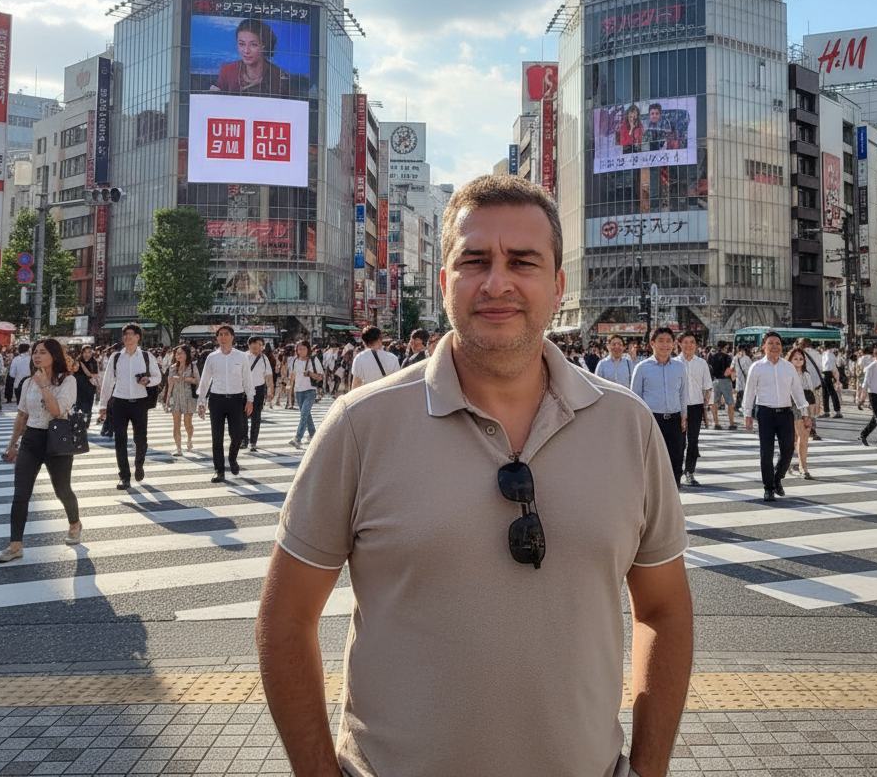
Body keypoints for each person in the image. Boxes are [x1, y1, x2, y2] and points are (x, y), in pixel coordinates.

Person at [257, 174, 691, 777]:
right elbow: (286, 616)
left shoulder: (627, 426)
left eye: (523, 261)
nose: (497, 283)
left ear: (558, 285)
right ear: (444, 283)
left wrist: (649, 768)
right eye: (475, 260)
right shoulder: (362, 425)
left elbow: (664, 609)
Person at [0, 339, 81, 562]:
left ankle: (74, 523)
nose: (36, 356)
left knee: (62, 490)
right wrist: (12, 443)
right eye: (35, 352)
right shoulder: (28, 382)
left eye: (42, 352)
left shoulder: (68, 381)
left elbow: (56, 410)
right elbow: (22, 414)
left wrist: (43, 385)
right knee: (20, 493)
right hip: (31, 440)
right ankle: (15, 545)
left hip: (57, 440)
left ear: (54, 355)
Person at [743, 331, 808, 502]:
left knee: (788, 449)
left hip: (785, 413)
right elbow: (749, 392)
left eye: (777, 343)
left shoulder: (788, 367)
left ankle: (777, 477)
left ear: (781, 347)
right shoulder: (757, 367)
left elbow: (797, 391)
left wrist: (805, 413)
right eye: (770, 343)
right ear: (764, 346)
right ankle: (768, 488)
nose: (774, 346)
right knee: (767, 452)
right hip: (765, 412)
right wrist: (747, 414)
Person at [97, 323, 162, 490]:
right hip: (119, 402)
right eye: (125, 334)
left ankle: (139, 464)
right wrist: (103, 405)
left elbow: (158, 377)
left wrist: (148, 381)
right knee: (120, 439)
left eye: (131, 334)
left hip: (140, 402)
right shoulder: (116, 357)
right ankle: (124, 476)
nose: (127, 337)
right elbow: (108, 381)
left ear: (138, 337)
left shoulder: (146, 356)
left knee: (141, 439)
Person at [197, 324, 254, 482]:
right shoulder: (212, 357)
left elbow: (247, 379)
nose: (223, 337)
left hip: (236, 400)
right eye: (220, 335)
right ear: (217, 338)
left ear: (232, 337)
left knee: (237, 435)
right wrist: (201, 401)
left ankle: (232, 458)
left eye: (226, 334)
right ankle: (219, 470)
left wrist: (250, 399)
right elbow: (205, 380)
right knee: (217, 437)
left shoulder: (241, 357)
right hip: (217, 400)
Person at [631, 327, 688, 487]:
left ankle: (674, 495)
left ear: (673, 344)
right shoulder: (642, 368)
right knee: (652, 462)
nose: (665, 345)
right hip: (652, 420)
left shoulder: (679, 367)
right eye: (661, 341)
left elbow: (683, 393)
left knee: (676, 460)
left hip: (675, 420)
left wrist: (684, 416)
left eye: (669, 341)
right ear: (652, 344)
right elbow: (635, 398)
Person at [208, 18, 291, 95]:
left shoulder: (279, 76)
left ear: (263, 46)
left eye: (253, 45)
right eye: (242, 44)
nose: (246, 51)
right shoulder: (227, 70)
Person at [678, 331, 712, 487]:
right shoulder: (674, 363)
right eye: (685, 342)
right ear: (679, 344)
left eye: (692, 342)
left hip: (696, 406)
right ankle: (677, 470)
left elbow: (707, 387)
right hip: (677, 406)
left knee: (693, 440)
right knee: (679, 441)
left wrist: (705, 408)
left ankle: (690, 471)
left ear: (696, 345)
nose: (689, 345)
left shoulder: (701, 363)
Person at [284, 340, 322, 448]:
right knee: (306, 415)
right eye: (299, 349)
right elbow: (293, 375)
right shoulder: (295, 361)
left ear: (308, 349)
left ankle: (298, 437)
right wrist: (290, 386)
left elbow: (320, 376)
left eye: (303, 349)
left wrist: (310, 374)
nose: (301, 351)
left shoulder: (313, 360)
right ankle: (313, 434)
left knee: (304, 414)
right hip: (298, 391)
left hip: (310, 390)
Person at [786, 348, 815, 480]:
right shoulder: (786, 374)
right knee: (796, 435)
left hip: (805, 405)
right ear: (790, 360)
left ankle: (802, 466)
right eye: (795, 358)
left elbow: (811, 393)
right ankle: (795, 464)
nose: (798, 361)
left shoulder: (806, 375)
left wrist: (814, 408)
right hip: (791, 404)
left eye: (801, 359)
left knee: (803, 436)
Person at [166, 345, 200, 455]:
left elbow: (198, 381)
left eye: (181, 353)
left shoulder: (192, 367)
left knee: (187, 423)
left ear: (186, 355)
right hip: (175, 398)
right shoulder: (172, 368)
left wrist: (186, 379)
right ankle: (179, 448)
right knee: (176, 424)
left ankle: (189, 438)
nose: (178, 355)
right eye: (177, 353)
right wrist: (167, 401)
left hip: (189, 398)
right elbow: (170, 385)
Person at [242, 336, 274, 450]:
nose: (260, 347)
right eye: (257, 344)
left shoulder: (264, 359)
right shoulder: (242, 357)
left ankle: (253, 442)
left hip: (259, 390)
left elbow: (268, 376)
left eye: (261, 345)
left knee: (256, 416)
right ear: (250, 344)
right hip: (244, 390)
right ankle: (244, 440)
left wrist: (270, 390)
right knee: (242, 416)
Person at [707, 340, 736, 430]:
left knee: (714, 402)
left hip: (715, 380)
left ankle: (716, 423)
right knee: (730, 403)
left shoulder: (712, 357)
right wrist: (733, 382)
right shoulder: (728, 357)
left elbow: (710, 369)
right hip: (726, 381)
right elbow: (729, 370)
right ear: (724, 348)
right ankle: (731, 423)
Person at [72, 345, 99, 427]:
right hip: (78, 388)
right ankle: (77, 424)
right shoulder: (77, 361)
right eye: (85, 352)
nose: (87, 355)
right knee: (78, 406)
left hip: (89, 388)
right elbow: (73, 372)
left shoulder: (93, 362)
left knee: (88, 407)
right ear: (82, 353)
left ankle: (86, 424)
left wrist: (90, 375)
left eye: (89, 352)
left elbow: (95, 375)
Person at [820, 342, 843, 418]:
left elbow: (829, 366)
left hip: (826, 373)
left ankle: (829, 411)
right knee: (829, 392)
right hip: (828, 373)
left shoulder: (826, 354)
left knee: (828, 392)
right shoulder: (830, 354)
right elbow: (833, 366)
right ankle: (834, 410)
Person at [733, 344, 751, 412]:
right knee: (743, 393)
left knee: (739, 393)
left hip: (738, 378)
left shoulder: (736, 357)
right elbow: (748, 370)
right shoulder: (746, 358)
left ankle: (737, 406)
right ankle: (741, 407)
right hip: (744, 379)